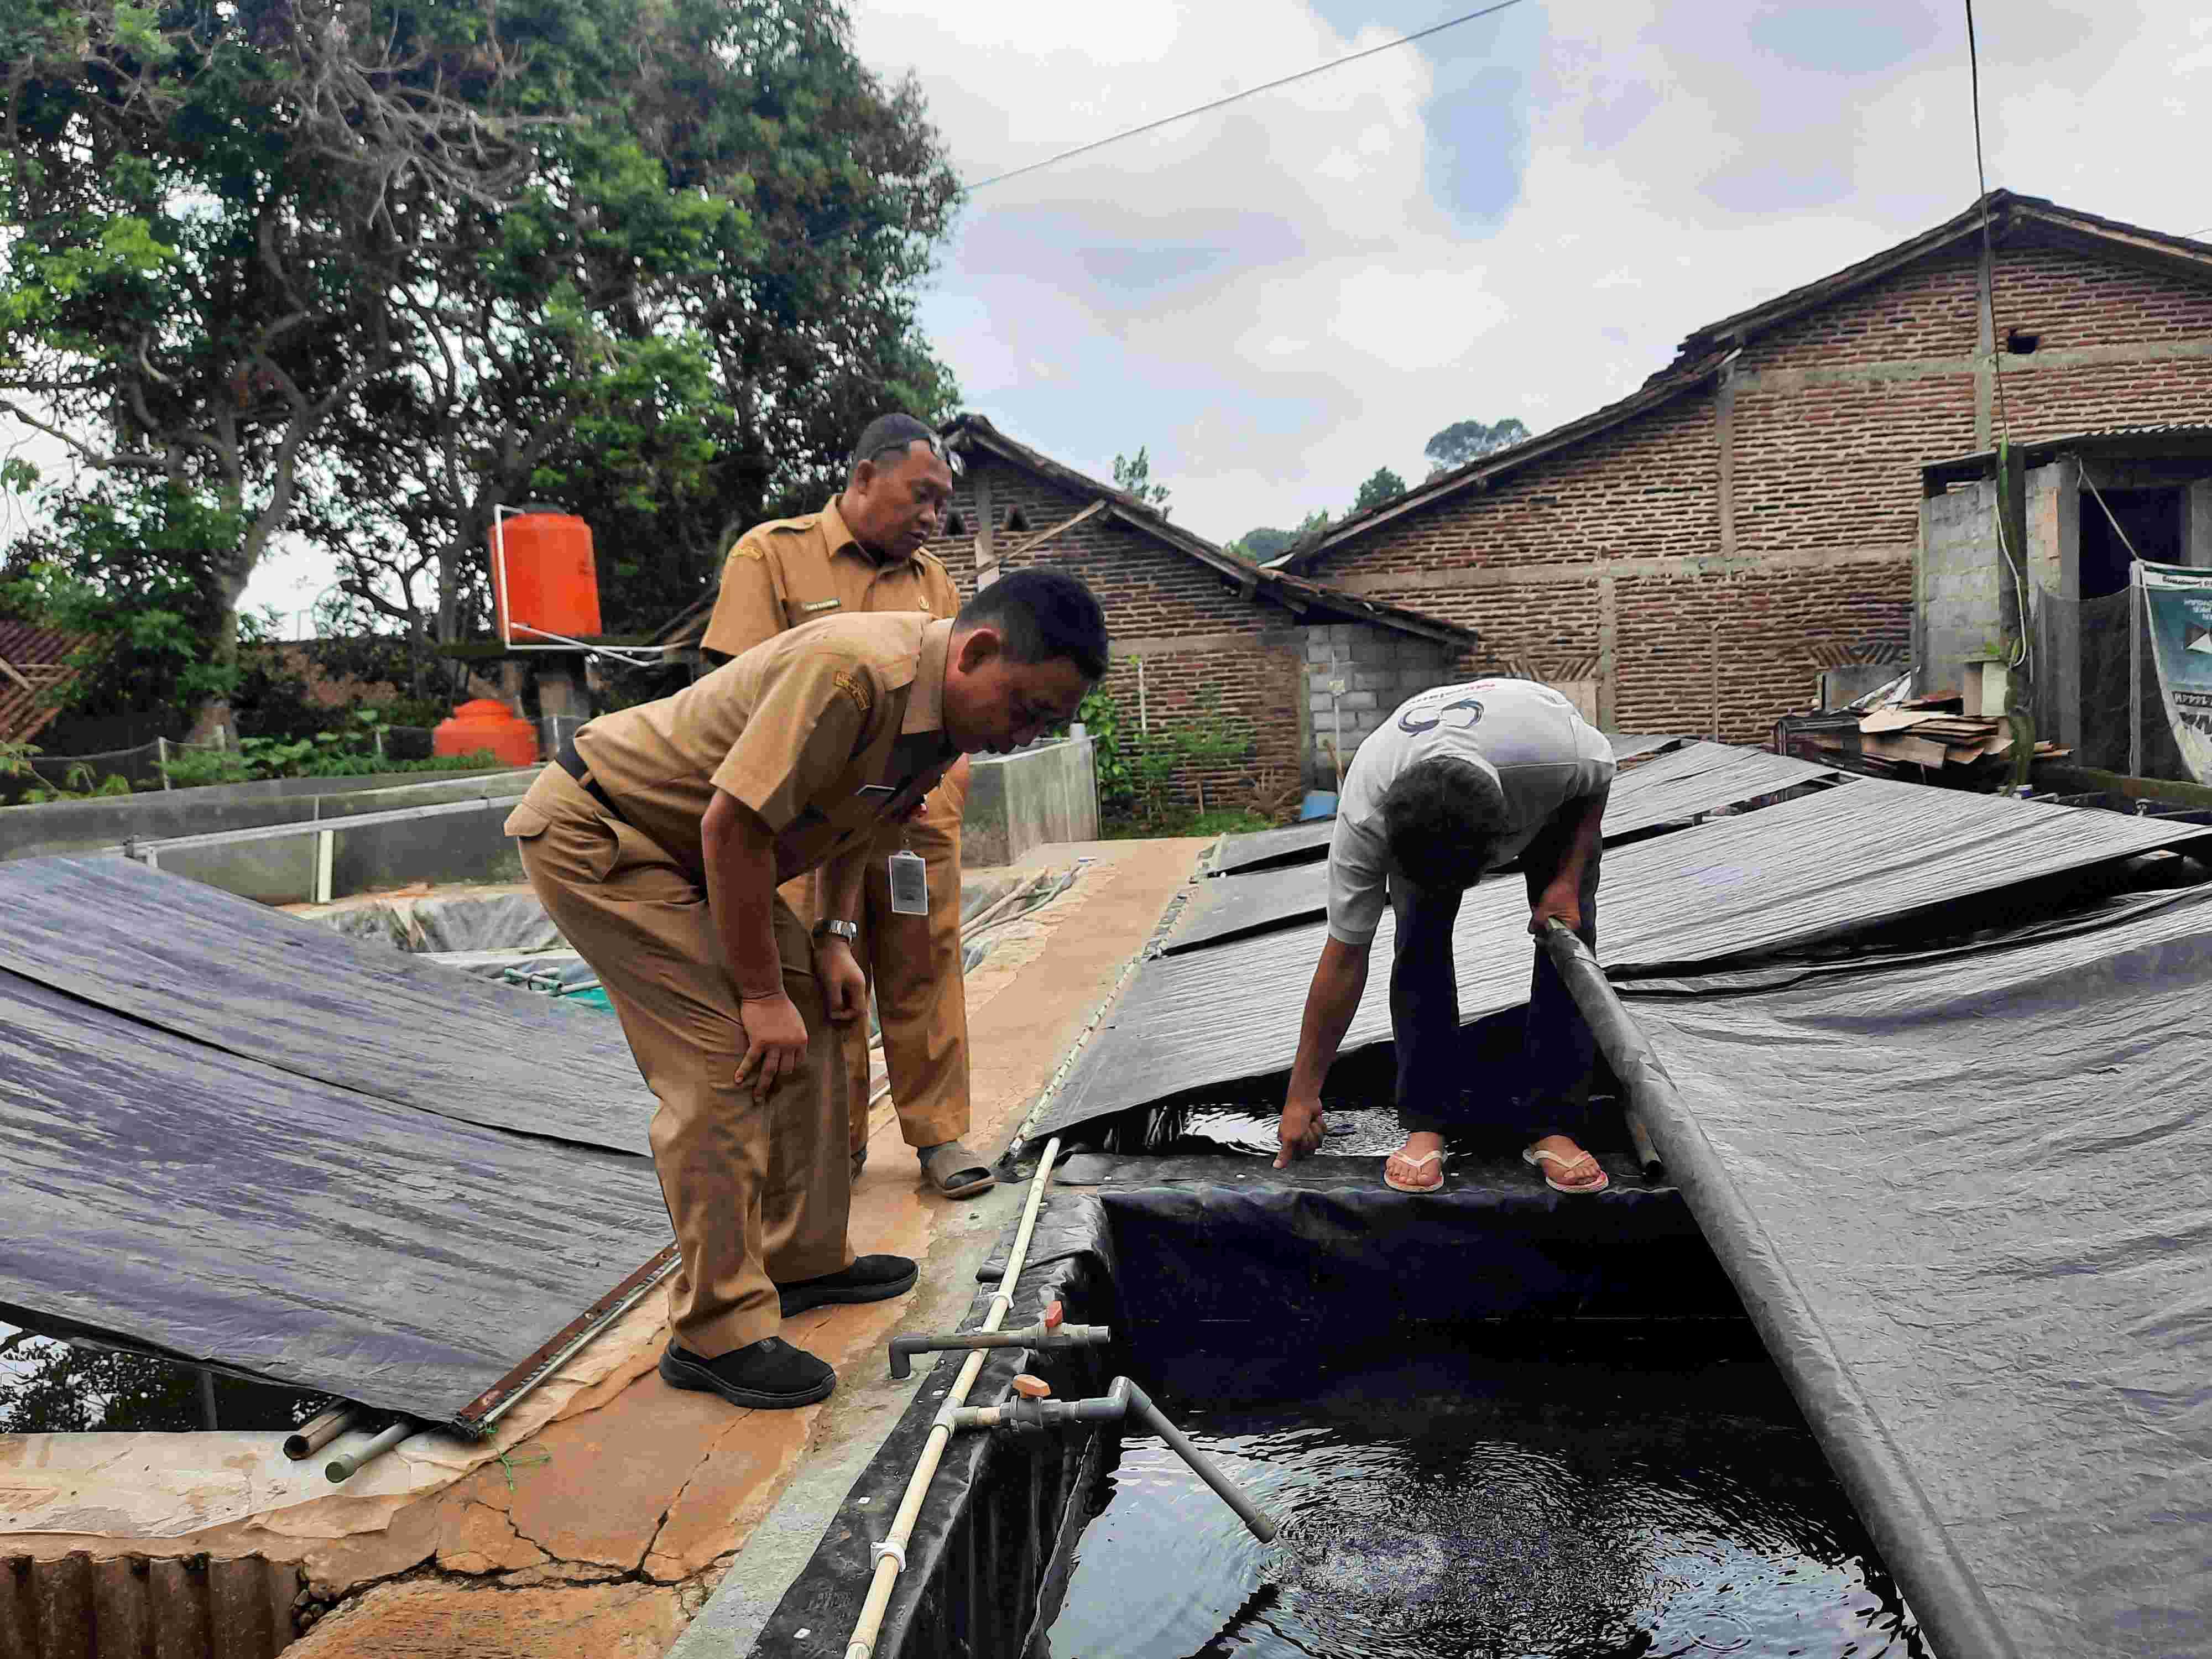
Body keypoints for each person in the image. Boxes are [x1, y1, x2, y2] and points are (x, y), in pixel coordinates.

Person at [504, 570, 1109, 1408]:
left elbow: (858, 826)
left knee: (827, 1020)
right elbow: (735, 825)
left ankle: (802, 1260)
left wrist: (832, 937)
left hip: (705, 852)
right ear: (978, 650)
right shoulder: (853, 674)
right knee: (723, 1063)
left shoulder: (941, 727)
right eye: (1025, 708)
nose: (1024, 735)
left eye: (1047, 722)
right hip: (606, 835)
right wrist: (758, 994)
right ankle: (715, 1332)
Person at [700, 413, 991, 1198]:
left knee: (922, 959)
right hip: (804, 821)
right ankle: (839, 1143)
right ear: (864, 477)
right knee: (815, 972)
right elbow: (737, 692)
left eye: (943, 503)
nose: (933, 516)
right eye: (921, 495)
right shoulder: (772, 556)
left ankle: (939, 1134)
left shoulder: (935, 582)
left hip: (910, 815)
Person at [1273, 677, 1615, 1196]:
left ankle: (1555, 1123)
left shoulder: (1553, 759)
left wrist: (1565, 880)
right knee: (1419, 938)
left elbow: (1600, 777)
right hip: (1426, 794)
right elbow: (1345, 956)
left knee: (1566, 935)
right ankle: (1426, 1121)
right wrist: (1301, 1095)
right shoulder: (1368, 812)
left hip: (1538, 786)